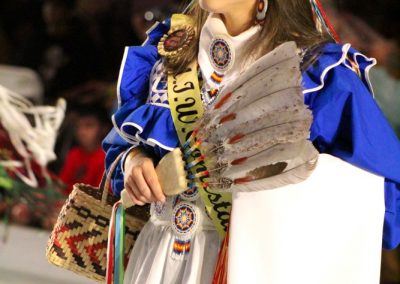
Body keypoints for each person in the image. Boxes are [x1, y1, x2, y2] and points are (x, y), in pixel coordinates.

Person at [102, 0, 400, 283]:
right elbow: (122, 141)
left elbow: (382, 194)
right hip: (158, 258)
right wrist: (135, 161)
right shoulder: (170, 48)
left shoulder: (314, 72)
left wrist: (278, 191)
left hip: (248, 266)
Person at [59, 105, 108, 194]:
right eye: (79, 126)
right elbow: (61, 186)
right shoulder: (74, 154)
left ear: (103, 129)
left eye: (89, 126)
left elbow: (98, 196)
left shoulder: (106, 158)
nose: (82, 132)